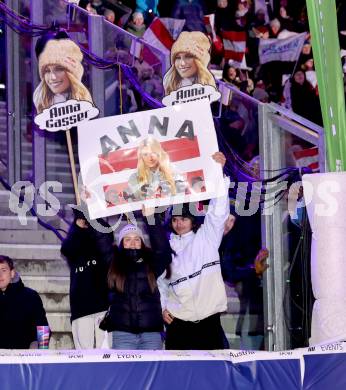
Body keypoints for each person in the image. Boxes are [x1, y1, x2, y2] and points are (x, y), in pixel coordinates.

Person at [158, 151, 230, 350]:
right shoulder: (166, 247)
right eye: (175, 219)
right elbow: (161, 283)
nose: (179, 223)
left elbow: (218, 213)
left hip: (209, 322)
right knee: (178, 378)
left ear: (193, 220)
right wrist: (162, 307)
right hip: (178, 324)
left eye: (184, 219)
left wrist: (219, 173)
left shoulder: (206, 238)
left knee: (213, 377)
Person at [107, 208, 172, 350]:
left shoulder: (151, 263)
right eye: (127, 239)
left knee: (152, 372)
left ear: (142, 243)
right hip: (123, 334)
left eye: (137, 239)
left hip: (151, 333)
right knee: (125, 372)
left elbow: (164, 252)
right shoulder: (113, 264)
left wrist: (150, 218)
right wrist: (90, 205)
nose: (132, 243)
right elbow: (101, 243)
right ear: (121, 243)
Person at [60, 211, 114, 349]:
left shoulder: (102, 231)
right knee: (83, 355)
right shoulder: (75, 237)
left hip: (103, 307)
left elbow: (106, 238)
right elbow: (66, 249)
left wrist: (93, 219)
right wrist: (78, 225)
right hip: (81, 307)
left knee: (105, 353)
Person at [0, 255, 49, 349]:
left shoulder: (30, 296)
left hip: (23, 359)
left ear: (12, 273)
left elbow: (42, 327)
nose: (0, 275)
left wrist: (41, 351)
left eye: (3, 270)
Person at [33, 38, 93, 114]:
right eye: (47, 71)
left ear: (72, 73)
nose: (52, 77)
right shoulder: (40, 101)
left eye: (59, 69)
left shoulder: (86, 101)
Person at [163, 31, 216, 96]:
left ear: (199, 61)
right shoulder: (169, 83)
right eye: (178, 58)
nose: (182, 63)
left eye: (188, 57)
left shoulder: (208, 84)